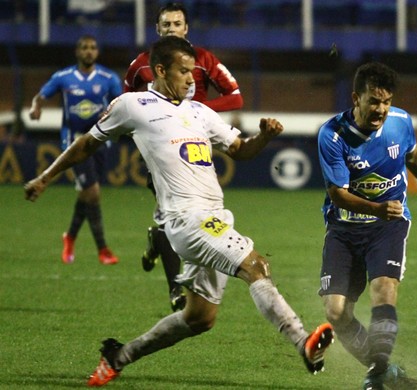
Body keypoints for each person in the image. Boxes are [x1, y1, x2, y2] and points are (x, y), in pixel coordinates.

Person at [24, 35, 333, 387]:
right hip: (186, 220)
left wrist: (264, 137)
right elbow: (85, 145)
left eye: (193, 72)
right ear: (159, 70)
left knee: (200, 318)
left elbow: (240, 150)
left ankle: (118, 355)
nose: (191, 79)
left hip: (214, 216)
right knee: (255, 265)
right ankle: (302, 341)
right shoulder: (133, 104)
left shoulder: (200, 112)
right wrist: (45, 178)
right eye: (184, 72)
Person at [316, 62, 417, 390]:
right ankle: (388, 373)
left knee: (384, 288)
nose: (381, 109)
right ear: (356, 98)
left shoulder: (400, 122)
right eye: (374, 101)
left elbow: (412, 153)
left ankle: (377, 373)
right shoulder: (332, 135)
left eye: (387, 101)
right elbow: (339, 195)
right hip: (344, 228)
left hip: (388, 226)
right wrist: (377, 208)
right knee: (336, 312)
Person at [125, 1, 244, 312]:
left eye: (176, 24)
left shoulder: (204, 60)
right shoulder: (141, 64)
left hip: (196, 149)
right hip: (164, 150)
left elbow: (235, 96)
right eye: (166, 25)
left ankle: (161, 243)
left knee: (193, 215)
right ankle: (176, 290)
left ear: (186, 28)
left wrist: (199, 112)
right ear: (157, 29)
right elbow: (127, 98)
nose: (171, 29)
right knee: (171, 214)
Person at [29, 35, 122, 265]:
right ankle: (103, 249)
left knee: (86, 195)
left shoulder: (108, 78)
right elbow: (41, 96)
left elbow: (121, 103)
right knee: (92, 193)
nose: (88, 51)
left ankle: (69, 237)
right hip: (73, 143)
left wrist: (110, 113)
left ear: (97, 52)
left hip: (99, 141)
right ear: (77, 52)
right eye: (84, 48)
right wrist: (36, 108)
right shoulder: (64, 77)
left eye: (92, 47)